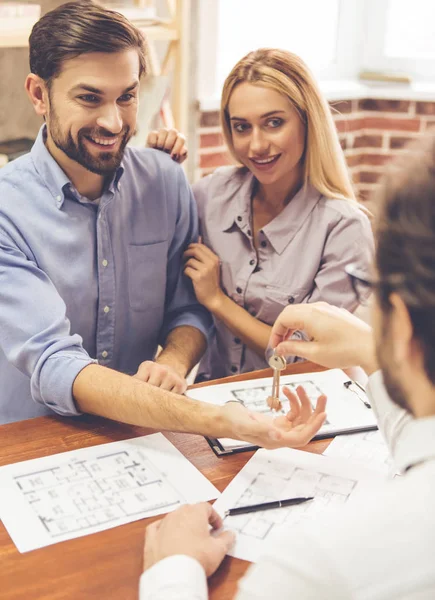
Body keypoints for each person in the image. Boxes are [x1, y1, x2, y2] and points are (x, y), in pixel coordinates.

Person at [0, 1, 328, 451]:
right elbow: (55, 363)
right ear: (39, 94)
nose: (113, 122)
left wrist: (174, 361)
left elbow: (188, 311)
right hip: (28, 443)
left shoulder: (166, 182)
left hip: (140, 440)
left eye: (127, 96)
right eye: (89, 97)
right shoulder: (6, 210)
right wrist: (217, 419)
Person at [139, 135, 435, 599]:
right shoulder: (211, 193)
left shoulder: (323, 565)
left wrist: (173, 570)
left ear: (398, 323)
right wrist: (370, 350)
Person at [147, 48, 374, 381]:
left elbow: (302, 356)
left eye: (274, 123)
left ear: (307, 121)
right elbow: (150, 259)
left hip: (305, 406)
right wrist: (159, 169)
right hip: (214, 404)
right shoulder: (210, 195)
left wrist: (217, 300)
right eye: (242, 127)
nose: (256, 146)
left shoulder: (344, 228)